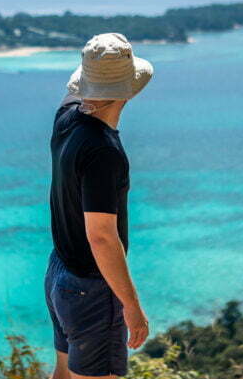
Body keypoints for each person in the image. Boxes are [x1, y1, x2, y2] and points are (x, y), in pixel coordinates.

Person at [44, 32, 154, 379]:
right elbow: (102, 237)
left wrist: (94, 74)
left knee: (62, 375)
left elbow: (75, 94)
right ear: (127, 91)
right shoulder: (104, 153)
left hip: (60, 274)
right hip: (91, 287)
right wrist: (132, 306)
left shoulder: (66, 119)